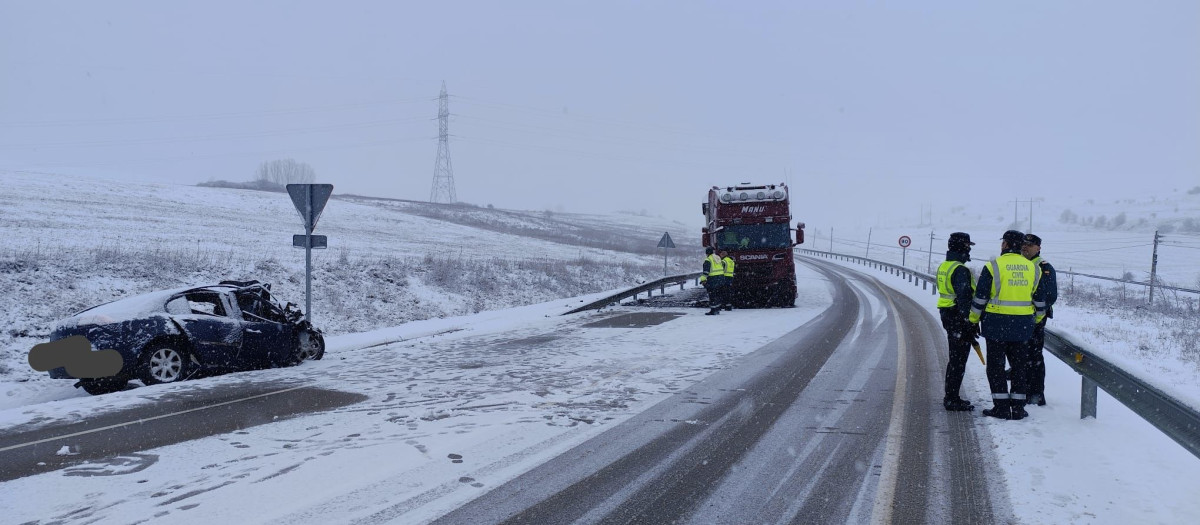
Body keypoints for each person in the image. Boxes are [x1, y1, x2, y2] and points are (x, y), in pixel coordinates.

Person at [969, 230, 1047, 420]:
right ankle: (1018, 408)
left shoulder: (993, 266)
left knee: (996, 367)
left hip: (996, 325)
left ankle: (1001, 407)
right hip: (1022, 327)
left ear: (1005, 245)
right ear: (1020, 246)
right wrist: (1034, 321)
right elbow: (1040, 302)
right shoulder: (1033, 268)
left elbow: (980, 299)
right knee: (1019, 367)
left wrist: (973, 321)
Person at [937, 232, 978, 411]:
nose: (969, 249)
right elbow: (964, 299)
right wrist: (969, 324)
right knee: (958, 360)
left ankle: (952, 396)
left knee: (955, 358)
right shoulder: (960, 270)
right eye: (968, 246)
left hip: (948, 314)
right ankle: (952, 398)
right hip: (957, 319)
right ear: (962, 247)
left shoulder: (945, 265)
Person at [1022, 233, 1057, 406]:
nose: (1026, 247)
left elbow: (1050, 296)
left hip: (1036, 318)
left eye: (1030, 245)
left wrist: (1037, 317)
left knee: (1034, 356)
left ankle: (1036, 394)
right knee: (1021, 354)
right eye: (1024, 244)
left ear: (1038, 248)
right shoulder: (1020, 265)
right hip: (1020, 316)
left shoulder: (1044, 267)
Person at [701, 247, 725, 315]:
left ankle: (713, 310)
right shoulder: (717, 257)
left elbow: (706, 272)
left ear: (707, 253)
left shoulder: (708, 260)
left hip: (713, 279)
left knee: (712, 295)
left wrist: (703, 280)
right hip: (720, 278)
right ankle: (717, 309)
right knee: (718, 294)